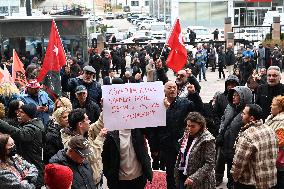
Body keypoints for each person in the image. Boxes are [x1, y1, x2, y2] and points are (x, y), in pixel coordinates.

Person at [160, 81, 197, 189]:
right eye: (169, 88)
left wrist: (194, 94)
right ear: (164, 91)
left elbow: (198, 113)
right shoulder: (158, 104)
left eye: (174, 87)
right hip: (167, 147)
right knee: (170, 175)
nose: (172, 90)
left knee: (183, 175)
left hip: (182, 146)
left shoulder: (185, 103)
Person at [231, 104, 278, 189]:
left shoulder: (247, 135)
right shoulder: (270, 130)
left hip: (251, 183)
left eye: (244, 113)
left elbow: (239, 162)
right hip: (270, 181)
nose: (241, 115)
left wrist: (235, 177)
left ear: (251, 118)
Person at [0, 103, 45, 188]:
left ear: (28, 115)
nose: (18, 114)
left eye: (21, 112)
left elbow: (19, 134)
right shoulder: (30, 124)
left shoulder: (33, 129)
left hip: (33, 167)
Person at [217, 86, 252, 189]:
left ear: (244, 96)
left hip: (238, 149)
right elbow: (223, 121)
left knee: (237, 177)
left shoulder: (249, 111)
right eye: (233, 94)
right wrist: (220, 134)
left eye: (237, 95)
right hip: (226, 146)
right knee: (229, 173)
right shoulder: (229, 107)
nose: (234, 97)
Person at [61, 108, 106, 187]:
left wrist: (105, 108)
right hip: (87, 184)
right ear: (80, 124)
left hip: (97, 178)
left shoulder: (85, 132)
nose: (89, 122)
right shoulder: (72, 142)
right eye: (87, 119)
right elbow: (91, 156)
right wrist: (100, 138)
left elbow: (99, 124)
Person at [175, 112, 215, 189]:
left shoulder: (208, 140)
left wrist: (194, 177)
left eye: (193, 126)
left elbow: (210, 164)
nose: (189, 129)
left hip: (199, 181)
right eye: (188, 125)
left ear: (200, 125)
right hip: (183, 173)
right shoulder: (187, 133)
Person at [213, 74, 239, 186]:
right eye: (229, 84)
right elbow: (216, 114)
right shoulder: (221, 97)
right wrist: (220, 127)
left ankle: (231, 179)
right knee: (219, 158)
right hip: (221, 131)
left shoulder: (240, 97)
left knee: (231, 158)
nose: (231, 86)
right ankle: (218, 177)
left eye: (233, 84)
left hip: (234, 133)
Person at [265, 95, 284, 189]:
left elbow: (280, 141)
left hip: (278, 161)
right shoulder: (272, 117)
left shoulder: (282, 122)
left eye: (273, 104)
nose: (270, 106)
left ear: (280, 108)